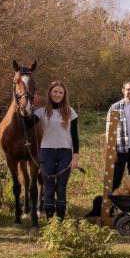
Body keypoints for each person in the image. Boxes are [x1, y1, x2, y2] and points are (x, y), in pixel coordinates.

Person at [35, 81, 80, 220]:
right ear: (50, 92)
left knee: (61, 188)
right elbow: (27, 124)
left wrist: (75, 156)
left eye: (61, 92)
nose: (58, 94)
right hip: (46, 153)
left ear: (64, 95)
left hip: (65, 153)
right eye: (55, 91)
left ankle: (60, 223)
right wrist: (25, 109)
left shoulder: (70, 112)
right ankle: (50, 224)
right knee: (48, 189)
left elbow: (74, 136)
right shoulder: (41, 111)